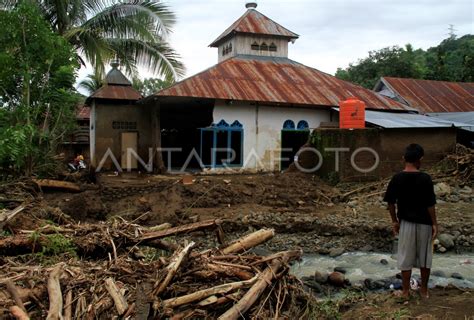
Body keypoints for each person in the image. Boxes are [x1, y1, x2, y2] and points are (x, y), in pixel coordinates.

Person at [383, 143, 438, 299]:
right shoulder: (425, 179)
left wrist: (394, 221)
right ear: (420, 160)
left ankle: (406, 291)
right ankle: (424, 291)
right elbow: (430, 204)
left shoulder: (397, 178)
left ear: (404, 159)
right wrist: (435, 223)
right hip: (425, 223)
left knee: (405, 257)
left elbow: (390, 203)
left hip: (405, 223)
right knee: (425, 258)